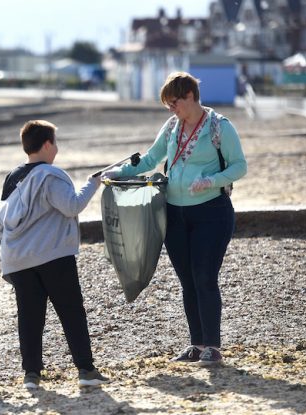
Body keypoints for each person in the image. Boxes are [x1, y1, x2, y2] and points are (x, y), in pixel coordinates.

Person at [103, 71, 247, 366]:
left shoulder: (220, 127)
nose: (171, 108)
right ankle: (196, 345)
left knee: (205, 277)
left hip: (212, 212)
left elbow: (240, 166)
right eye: (168, 104)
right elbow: (150, 159)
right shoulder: (171, 127)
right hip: (175, 214)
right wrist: (120, 174)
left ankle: (213, 347)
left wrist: (212, 181)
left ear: (191, 96)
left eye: (174, 102)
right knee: (187, 281)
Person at [0, 120, 109, 389]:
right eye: (55, 142)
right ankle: (85, 370)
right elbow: (72, 206)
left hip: (18, 258)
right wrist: (93, 184)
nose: (56, 148)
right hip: (52, 255)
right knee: (71, 312)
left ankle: (31, 375)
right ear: (47, 144)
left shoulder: (13, 176)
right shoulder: (50, 175)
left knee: (30, 316)